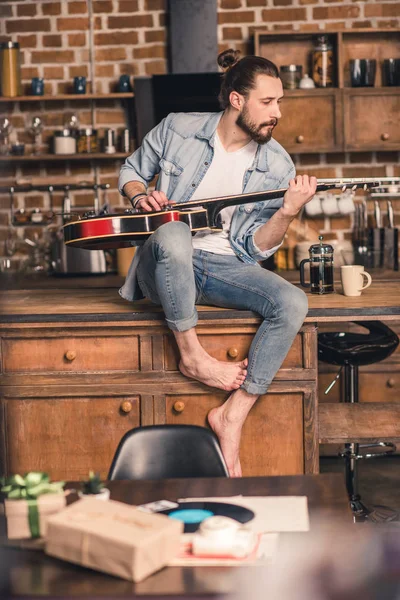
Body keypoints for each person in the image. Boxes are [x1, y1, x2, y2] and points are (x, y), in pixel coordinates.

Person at [118, 49, 317, 477]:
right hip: (168, 266)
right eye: (268, 102)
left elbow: (254, 249)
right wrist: (140, 195)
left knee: (293, 303)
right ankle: (192, 355)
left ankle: (233, 415)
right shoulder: (178, 128)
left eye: (280, 102)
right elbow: (131, 170)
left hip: (224, 267)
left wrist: (286, 212)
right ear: (237, 101)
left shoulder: (277, 163)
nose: (277, 113)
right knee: (173, 231)